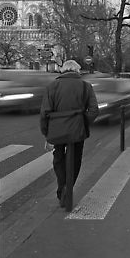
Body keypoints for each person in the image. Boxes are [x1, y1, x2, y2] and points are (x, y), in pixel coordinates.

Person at [40, 60, 99, 207]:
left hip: (56, 128)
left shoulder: (52, 86)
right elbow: (94, 110)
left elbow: (45, 112)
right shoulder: (86, 86)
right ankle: (68, 187)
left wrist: (46, 132)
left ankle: (62, 187)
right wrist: (83, 122)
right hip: (77, 128)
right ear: (77, 71)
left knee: (58, 158)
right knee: (76, 158)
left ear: (63, 70)